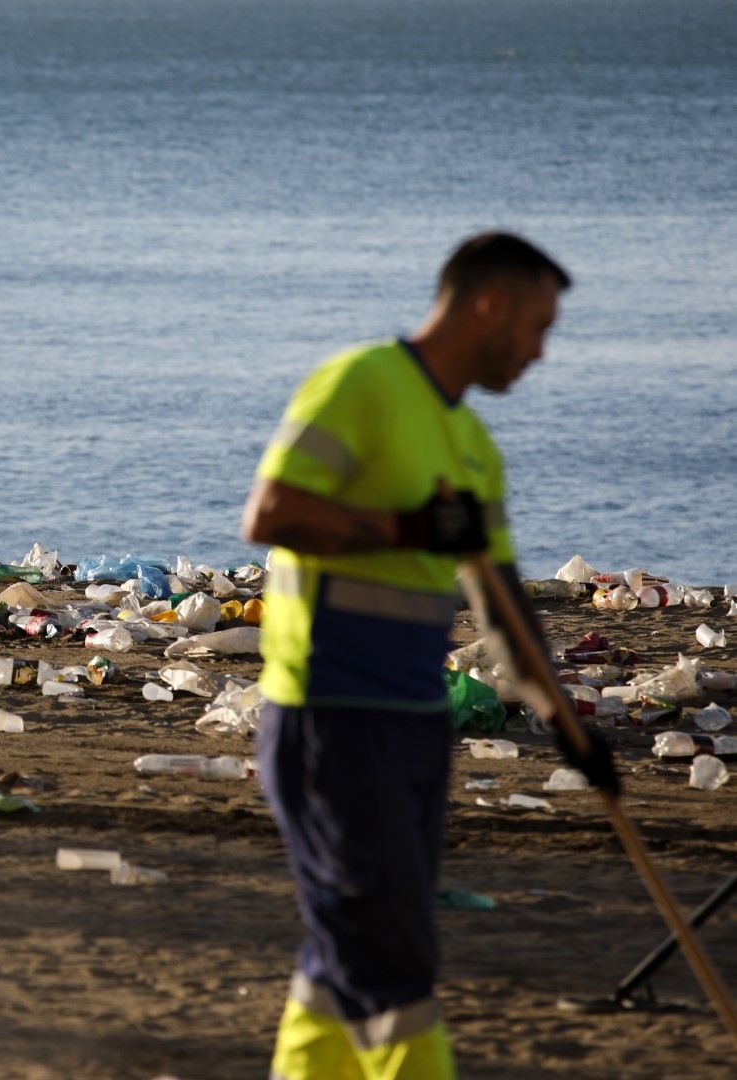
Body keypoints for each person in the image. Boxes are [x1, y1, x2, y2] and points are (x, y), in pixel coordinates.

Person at [240, 232, 615, 1079]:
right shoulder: (362, 384)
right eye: (537, 327)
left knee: (349, 950)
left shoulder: (473, 443)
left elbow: (503, 600)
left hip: (415, 723)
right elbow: (270, 515)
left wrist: (567, 724)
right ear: (490, 305)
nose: (541, 351)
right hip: (330, 715)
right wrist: (402, 530)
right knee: (392, 958)